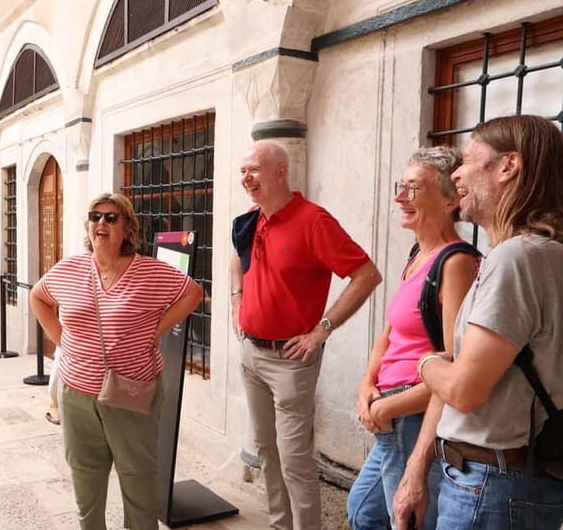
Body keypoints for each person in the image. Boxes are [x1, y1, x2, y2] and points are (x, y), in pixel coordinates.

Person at [394, 115, 563, 529]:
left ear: (508, 166)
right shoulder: (546, 252)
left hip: (492, 486)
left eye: (468, 160)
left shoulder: (517, 258)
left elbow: (463, 391)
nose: (457, 174)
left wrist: (426, 362)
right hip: (518, 480)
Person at [231, 140, 382, 529]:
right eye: (243, 171)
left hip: (290, 361)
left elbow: (366, 274)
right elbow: (237, 257)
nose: (246, 178)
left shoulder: (314, 221)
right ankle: (280, 524)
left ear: (280, 171)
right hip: (251, 353)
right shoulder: (252, 218)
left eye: (254, 170)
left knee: (295, 458)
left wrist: (322, 330)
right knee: (266, 449)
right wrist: (237, 301)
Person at [30, 193, 203, 530]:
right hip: (75, 392)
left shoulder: (149, 272)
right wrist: (59, 337)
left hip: (132, 390)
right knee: (85, 478)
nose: (101, 224)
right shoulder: (71, 268)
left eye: (111, 218)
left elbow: (192, 293)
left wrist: (156, 331)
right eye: (95, 217)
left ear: (128, 228)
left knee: (138, 479)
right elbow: (39, 296)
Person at [346, 147, 479, 528]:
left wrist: (388, 408)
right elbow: (389, 332)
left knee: (404, 518)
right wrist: (366, 385)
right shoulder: (417, 254)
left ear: (451, 200)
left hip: (412, 416)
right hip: (388, 413)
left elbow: (455, 364)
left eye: (413, 188)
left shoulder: (455, 263)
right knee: (363, 512)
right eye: (400, 186)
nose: (399, 197)